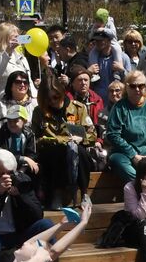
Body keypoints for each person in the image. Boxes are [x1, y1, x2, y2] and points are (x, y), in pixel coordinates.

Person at [32, 77, 98, 210]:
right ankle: (57, 194)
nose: (52, 102)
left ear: (61, 93)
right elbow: (34, 139)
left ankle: (84, 193)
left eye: (55, 97)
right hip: (51, 152)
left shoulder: (78, 108)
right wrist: (53, 140)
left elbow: (92, 134)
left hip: (76, 147)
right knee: (58, 152)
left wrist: (81, 138)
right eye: (48, 99)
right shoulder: (39, 112)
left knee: (80, 152)